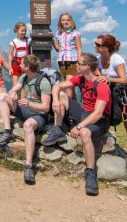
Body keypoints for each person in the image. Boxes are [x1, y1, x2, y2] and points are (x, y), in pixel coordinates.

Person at [43, 53, 111, 196]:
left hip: (99, 120)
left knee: (85, 133)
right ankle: (57, 130)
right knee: (62, 95)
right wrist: (55, 100)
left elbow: (98, 113)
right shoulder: (81, 79)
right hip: (84, 112)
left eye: (79, 63)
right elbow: (58, 85)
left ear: (87, 67)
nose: (76, 66)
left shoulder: (102, 86)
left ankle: (90, 173)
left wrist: (80, 127)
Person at [0, 54, 51, 185]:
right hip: (25, 108)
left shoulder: (44, 82)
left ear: (28, 66)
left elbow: (46, 108)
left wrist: (30, 104)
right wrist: (13, 92)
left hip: (38, 114)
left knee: (28, 126)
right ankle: (7, 131)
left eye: (22, 64)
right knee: (2, 96)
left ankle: (28, 166)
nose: (19, 65)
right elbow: (15, 88)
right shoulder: (24, 77)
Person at [95, 34, 127, 169]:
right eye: (96, 44)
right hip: (113, 91)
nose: (95, 47)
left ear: (107, 47)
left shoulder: (117, 59)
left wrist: (108, 79)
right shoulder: (99, 59)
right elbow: (99, 77)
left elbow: (123, 79)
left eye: (98, 45)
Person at [52, 13, 82, 99]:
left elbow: (79, 48)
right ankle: (74, 107)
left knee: (68, 86)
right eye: (63, 20)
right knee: (70, 86)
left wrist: (79, 60)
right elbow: (58, 48)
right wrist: (51, 39)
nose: (65, 22)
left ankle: (68, 108)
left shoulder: (75, 33)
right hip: (62, 61)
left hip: (72, 61)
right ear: (60, 22)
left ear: (71, 21)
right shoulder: (58, 34)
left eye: (67, 20)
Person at [8, 22, 29, 95]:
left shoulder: (28, 41)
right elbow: (10, 55)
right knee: (15, 84)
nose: (24, 32)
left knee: (24, 84)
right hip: (16, 64)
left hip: (25, 63)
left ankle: (22, 102)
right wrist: (10, 67)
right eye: (22, 31)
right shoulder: (13, 42)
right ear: (16, 31)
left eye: (25, 31)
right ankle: (14, 101)